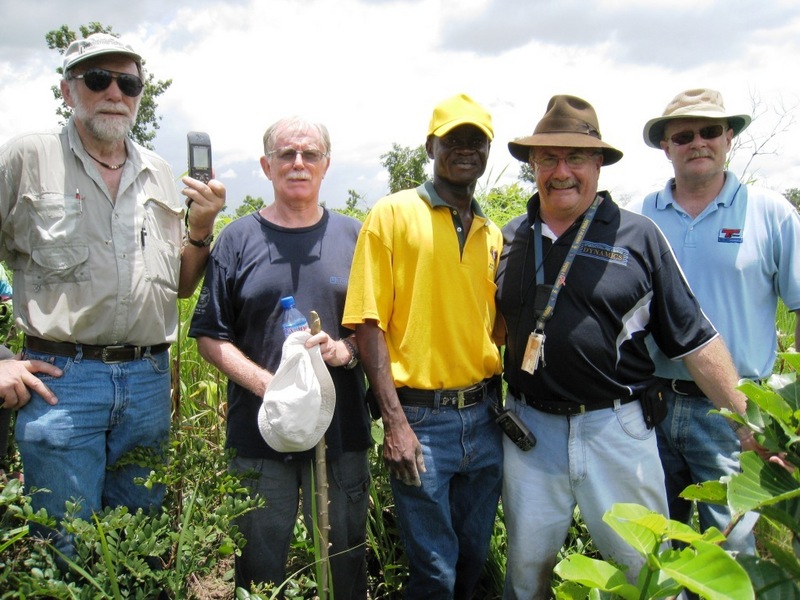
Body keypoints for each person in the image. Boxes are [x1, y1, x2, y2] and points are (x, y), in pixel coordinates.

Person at [495, 94, 774, 599]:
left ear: (598, 163)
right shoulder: (511, 237)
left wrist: (748, 426)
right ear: (532, 164)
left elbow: (695, 338)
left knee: (647, 573)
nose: (562, 171)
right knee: (526, 575)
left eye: (576, 157)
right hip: (530, 432)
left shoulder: (638, 236)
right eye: (548, 158)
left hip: (618, 429)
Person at [0, 32, 224, 553]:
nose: (115, 93)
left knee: (138, 545)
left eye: (128, 82)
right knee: (65, 549)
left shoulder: (162, 174)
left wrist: (201, 228)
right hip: (63, 382)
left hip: (148, 381)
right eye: (98, 80)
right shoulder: (27, 157)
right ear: (67, 89)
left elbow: (182, 286)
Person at [189, 116, 372, 597]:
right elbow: (210, 335)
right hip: (259, 435)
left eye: (310, 154)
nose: (298, 163)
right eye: (286, 154)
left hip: (341, 432)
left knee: (346, 560)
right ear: (266, 165)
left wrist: (344, 350)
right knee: (259, 562)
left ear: (326, 165)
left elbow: (375, 330)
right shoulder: (236, 239)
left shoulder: (357, 237)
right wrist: (270, 387)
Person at [343, 93, 504, 599]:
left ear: (487, 151)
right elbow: (368, 325)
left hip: (483, 417)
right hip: (420, 423)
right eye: (452, 139)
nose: (464, 149)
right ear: (430, 146)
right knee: (434, 571)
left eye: (475, 140)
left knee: (474, 559)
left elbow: (494, 330)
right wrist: (394, 422)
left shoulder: (491, 232)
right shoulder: (391, 216)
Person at [627, 88, 800, 555]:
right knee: (653, 551)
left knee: (734, 552)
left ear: (729, 138)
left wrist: (785, 409)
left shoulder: (772, 213)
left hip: (736, 412)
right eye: (683, 135)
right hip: (652, 405)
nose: (697, 142)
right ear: (666, 146)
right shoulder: (639, 217)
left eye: (709, 131)